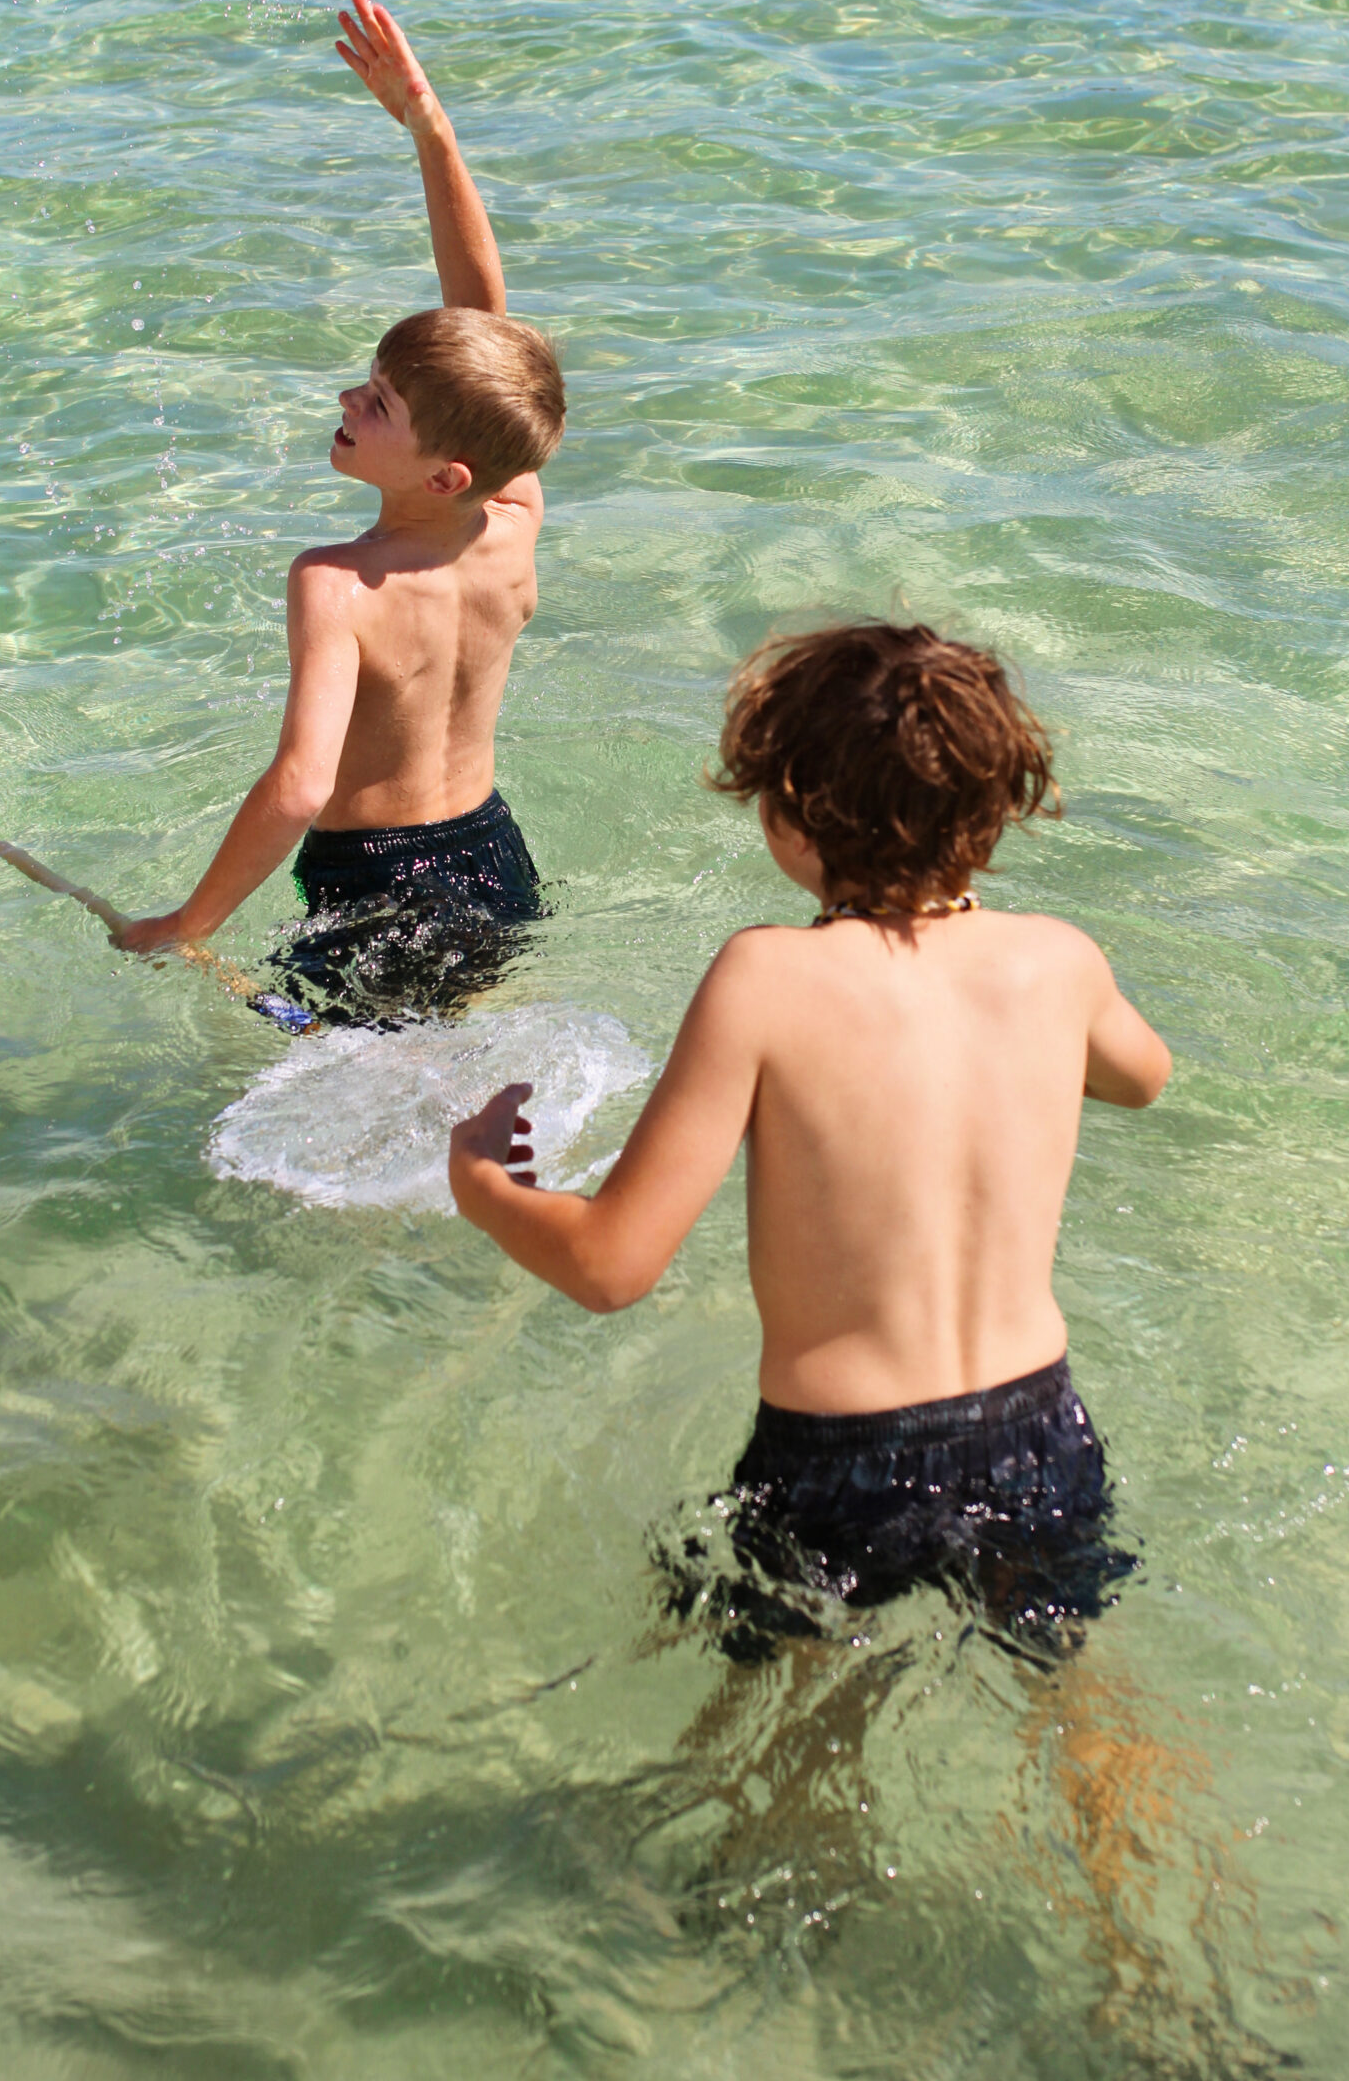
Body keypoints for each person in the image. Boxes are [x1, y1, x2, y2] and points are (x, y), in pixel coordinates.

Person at [447, 622, 1172, 1656]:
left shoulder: (766, 978)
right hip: (1036, 1431)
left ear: (789, 817)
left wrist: (480, 1181)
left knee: (781, 1734)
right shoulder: (1057, 963)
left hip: (843, 1458)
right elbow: (1143, 1079)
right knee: (1077, 1702)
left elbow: (611, 1265)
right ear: (997, 808)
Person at [116, 0, 565, 1025]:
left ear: (445, 472)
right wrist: (429, 130)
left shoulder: (336, 582)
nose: (346, 403)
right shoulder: (514, 519)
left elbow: (299, 787)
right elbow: (483, 313)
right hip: (495, 859)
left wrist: (187, 922)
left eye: (379, 404)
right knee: (464, 1073)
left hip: (374, 887)